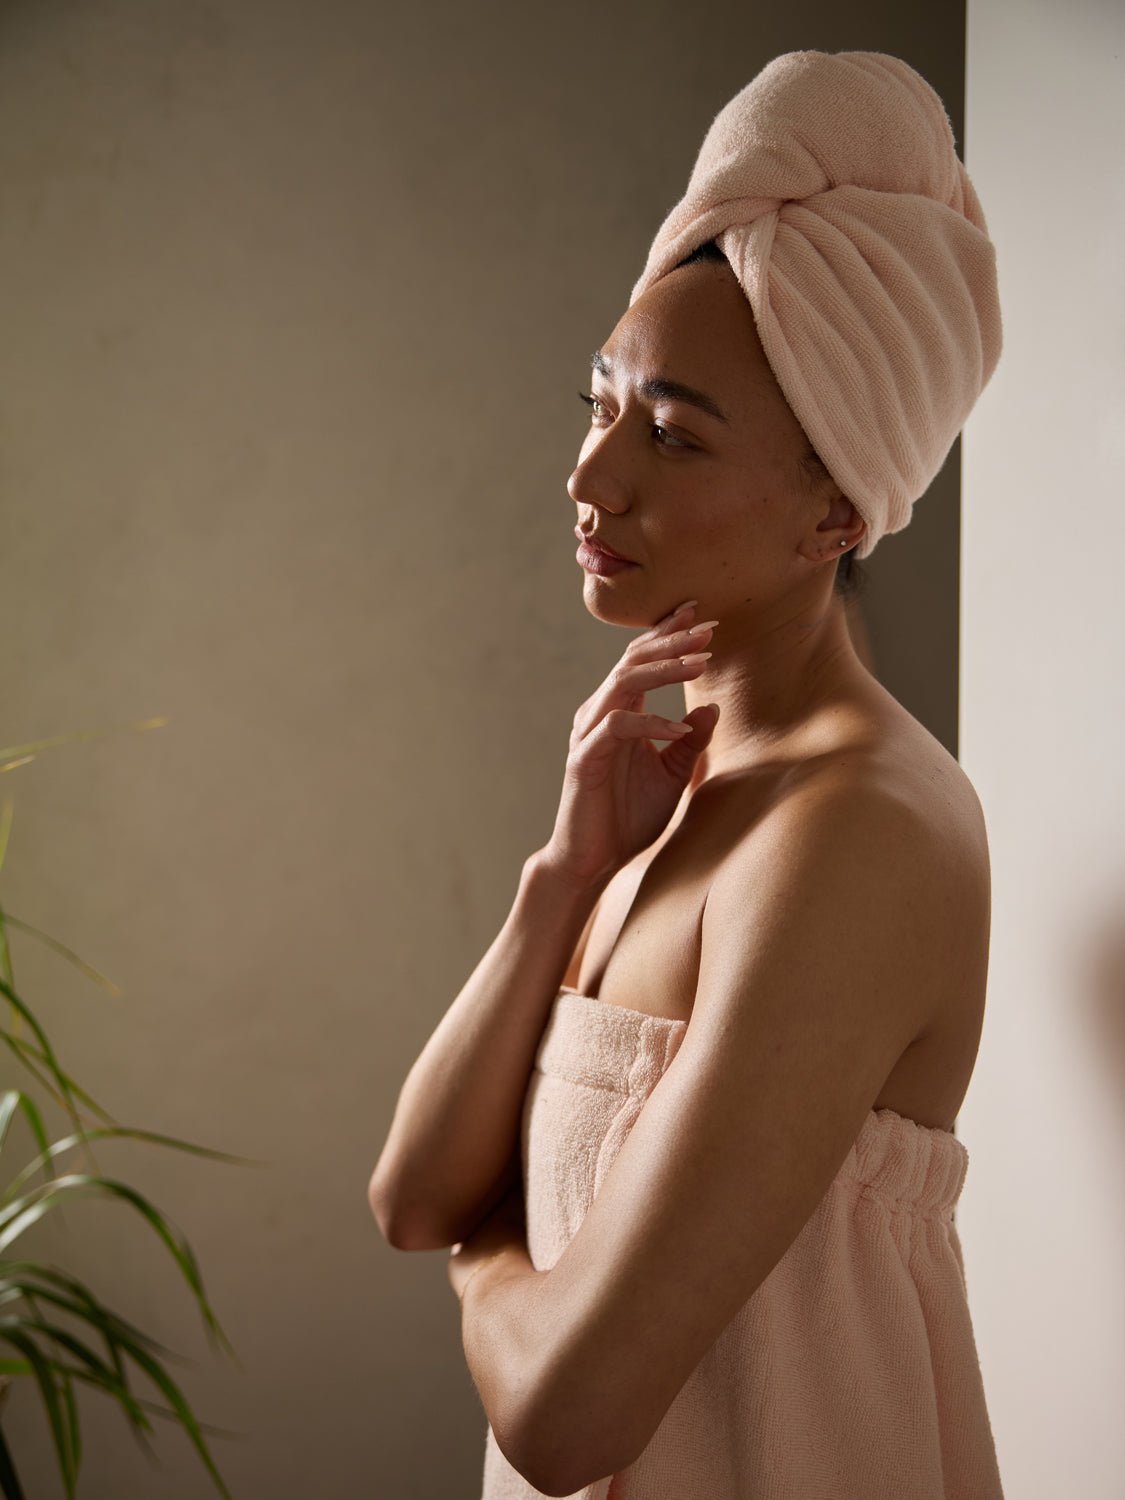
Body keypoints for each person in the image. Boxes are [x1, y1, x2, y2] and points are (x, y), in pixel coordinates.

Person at [370, 49, 1005, 1500]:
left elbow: (565, 1413)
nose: (595, 480)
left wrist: (488, 1264)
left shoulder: (856, 832)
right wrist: (566, 873)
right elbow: (412, 1194)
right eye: (598, 405)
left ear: (833, 508)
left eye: (670, 434)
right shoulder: (670, 777)